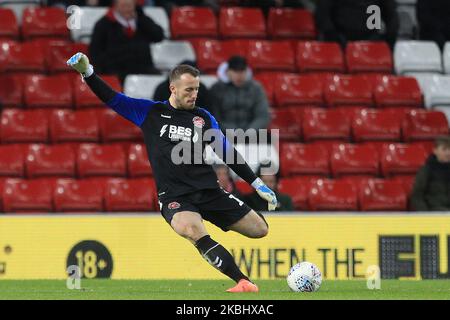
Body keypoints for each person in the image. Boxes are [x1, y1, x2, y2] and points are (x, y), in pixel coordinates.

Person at [66, 52, 278, 293]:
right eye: (188, 89)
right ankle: (243, 281)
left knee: (260, 230)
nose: (194, 94)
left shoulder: (203, 118)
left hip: (209, 191)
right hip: (176, 197)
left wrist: (257, 183)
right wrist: (88, 73)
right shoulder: (150, 112)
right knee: (192, 230)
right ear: (173, 88)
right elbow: (113, 98)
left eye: (196, 89)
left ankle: (224, 244)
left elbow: (227, 151)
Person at [88, 0, 164, 83]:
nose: (127, 9)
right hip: (116, 72)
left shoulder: (141, 19)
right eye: (124, 6)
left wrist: (142, 18)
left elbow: (159, 36)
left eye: (130, 5)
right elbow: (95, 53)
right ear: (116, 5)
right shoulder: (103, 24)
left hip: (143, 69)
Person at [209, 56, 270, 133]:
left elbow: (263, 116)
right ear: (228, 72)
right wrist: (231, 131)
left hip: (251, 134)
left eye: (242, 71)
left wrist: (250, 131)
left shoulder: (256, 89)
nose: (239, 75)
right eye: (235, 71)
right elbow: (213, 117)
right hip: (224, 134)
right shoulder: (216, 89)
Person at [315, 0, 399, 48]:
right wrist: (333, 37)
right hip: (339, 42)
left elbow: (392, 17)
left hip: (372, 42)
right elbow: (322, 14)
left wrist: (386, 42)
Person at [410, 136, 450, 211]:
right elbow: (417, 196)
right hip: (435, 212)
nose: (448, 153)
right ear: (435, 151)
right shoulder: (427, 170)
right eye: (444, 149)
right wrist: (426, 215)